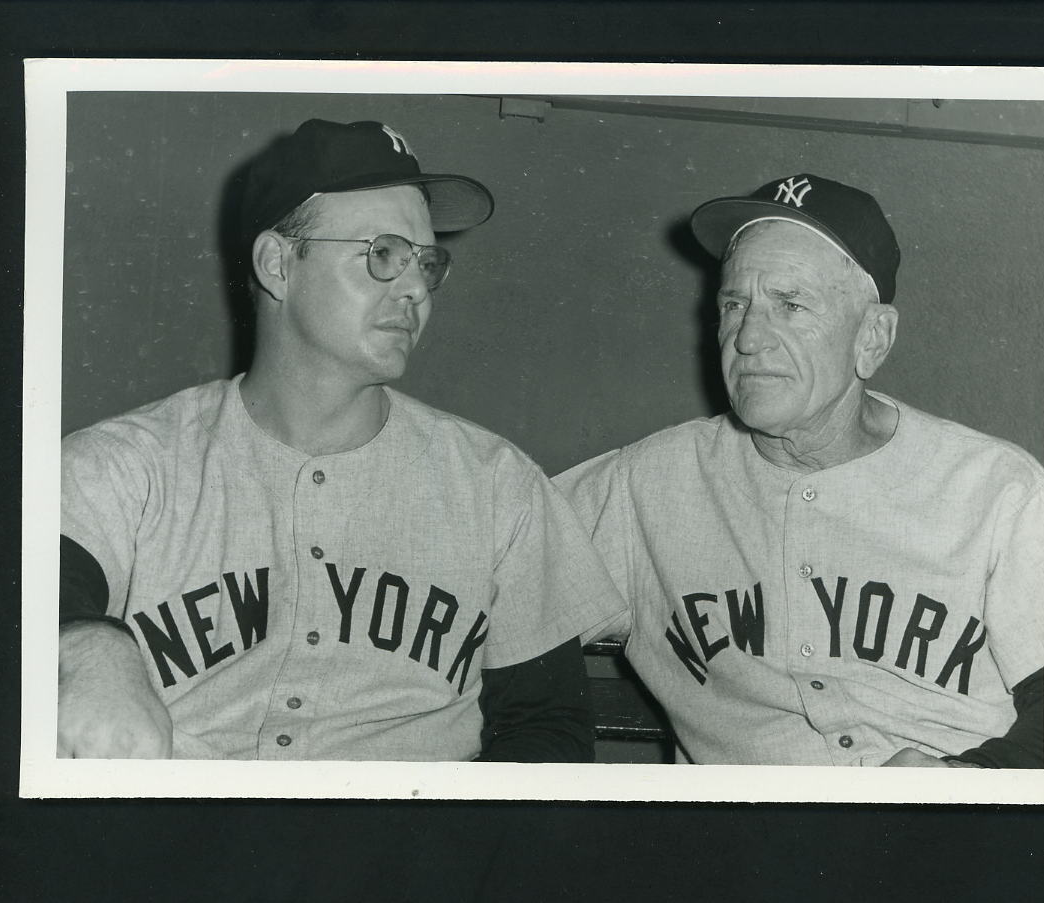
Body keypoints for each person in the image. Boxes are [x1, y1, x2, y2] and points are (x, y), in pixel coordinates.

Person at [57, 119, 623, 762]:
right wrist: (86, 643)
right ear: (277, 264)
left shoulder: (497, 484)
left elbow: (545, 727)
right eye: (384, 253)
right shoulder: (130, 464)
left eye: (426, 262)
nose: (415, 288)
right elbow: (29, 586)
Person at [557, 173, 1044, 767]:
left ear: (873, 337)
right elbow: (478, 586)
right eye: (735, 305)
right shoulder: (640, 485)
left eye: (791, 305)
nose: (749, 338)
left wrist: (967, 778)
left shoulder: (997, 490)